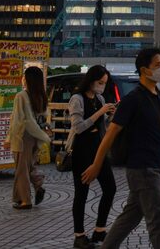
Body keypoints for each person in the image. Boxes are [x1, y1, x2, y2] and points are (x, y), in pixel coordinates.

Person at [82, 48, 160, 249]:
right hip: (143, 168)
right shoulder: (133, 99)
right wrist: (97, 164)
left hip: (152, 166)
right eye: (157, 65)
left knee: (130, 217)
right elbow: (111, 133)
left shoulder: (156, 96)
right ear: (144, 70)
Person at [69, 65, 117, 248]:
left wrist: (110, 116)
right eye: (99, 82)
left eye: (104, 83)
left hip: (98, 149)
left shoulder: (100, 98)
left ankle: (100, 229)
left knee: (110, 188)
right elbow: (78, 127)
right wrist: (101, 112)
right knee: (81, 192)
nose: (102, 86)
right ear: (90, 80)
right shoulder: (77, 99)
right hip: (82, 150)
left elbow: (103, 125)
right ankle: (79, 235)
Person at [7, 66, 52, 210]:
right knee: (29, 166)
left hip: (22, 136)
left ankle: (25, 200)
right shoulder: (40, 96)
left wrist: (9, 138)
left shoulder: (21, 96)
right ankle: (36, 187)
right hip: (35, 137)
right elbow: (43, 117)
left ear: (27, 79)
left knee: (21, 169)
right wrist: (43, 135)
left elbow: (18, 120)